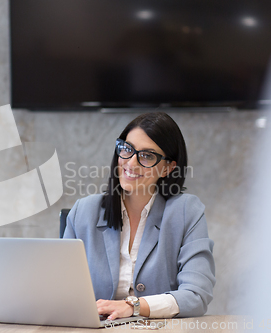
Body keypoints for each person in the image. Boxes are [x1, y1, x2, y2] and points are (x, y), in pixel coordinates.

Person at [63, 112, 215, 320]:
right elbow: (62, 292)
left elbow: (196, 295)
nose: (131, 163)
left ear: (168, 168)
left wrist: (134, 306)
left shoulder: (186, 212)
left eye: (147, 155)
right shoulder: (84, 211)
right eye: (127, 149)